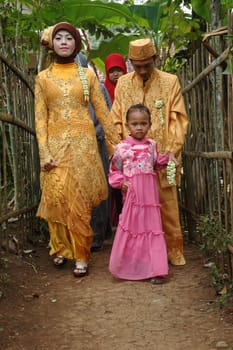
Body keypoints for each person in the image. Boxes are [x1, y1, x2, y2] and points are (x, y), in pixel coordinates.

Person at [34, 22, 119, 278]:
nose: (63, 42)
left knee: (79, 202)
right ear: (52, 44)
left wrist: (116, 145)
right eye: (58, 37)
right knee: (56, 197)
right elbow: (40, 118)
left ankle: (81, 254)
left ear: (75, 44)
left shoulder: (88, 75)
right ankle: (59, 246)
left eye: (68, 38)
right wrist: (44, 152)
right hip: (55, 148)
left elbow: (103, 112)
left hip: (84, 147)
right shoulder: (43, 78)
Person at [110, 38, 189, 266]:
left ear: (155, 59)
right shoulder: (123, 84)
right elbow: (116, 118)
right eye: (137, 65)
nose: (142, 70)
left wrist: (171, 151)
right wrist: (118, 149)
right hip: (132, 162)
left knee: (167, 203)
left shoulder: (169, 81)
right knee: (135, 211)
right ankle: (140, 254)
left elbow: (178, 119)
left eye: (147, 64)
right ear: (131, 62)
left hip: (163, 155)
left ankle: (173, 249)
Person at [108, 104, 178, 283]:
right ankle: (133, 266)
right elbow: (114, 170)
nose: (139, 127)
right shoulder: (122, 147)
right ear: (127, 125)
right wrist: (121, 182)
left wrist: (169, 158)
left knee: (152, 229)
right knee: (134, 228)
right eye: (134, 124)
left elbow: (157, 163)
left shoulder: (152, 145)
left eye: (143, 123)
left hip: (150, 196)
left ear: (150, 124)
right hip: (132, 195)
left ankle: (156, 269)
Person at [77, 52, 113, 252]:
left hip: (97, 143)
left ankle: (98, 233)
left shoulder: (98, 87)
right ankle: (84, 232)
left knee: (99, 187)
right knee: (80, 189)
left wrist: (96, 133)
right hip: (74, 146)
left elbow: (107, 113)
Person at [104, 53, 127, 226]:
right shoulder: (102, 90)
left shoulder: (130, 90)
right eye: (112, 71)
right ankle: (116, 219)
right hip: (110, 143)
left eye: (119, 70)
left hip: (131, 142)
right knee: (114, 181)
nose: (116, 74)